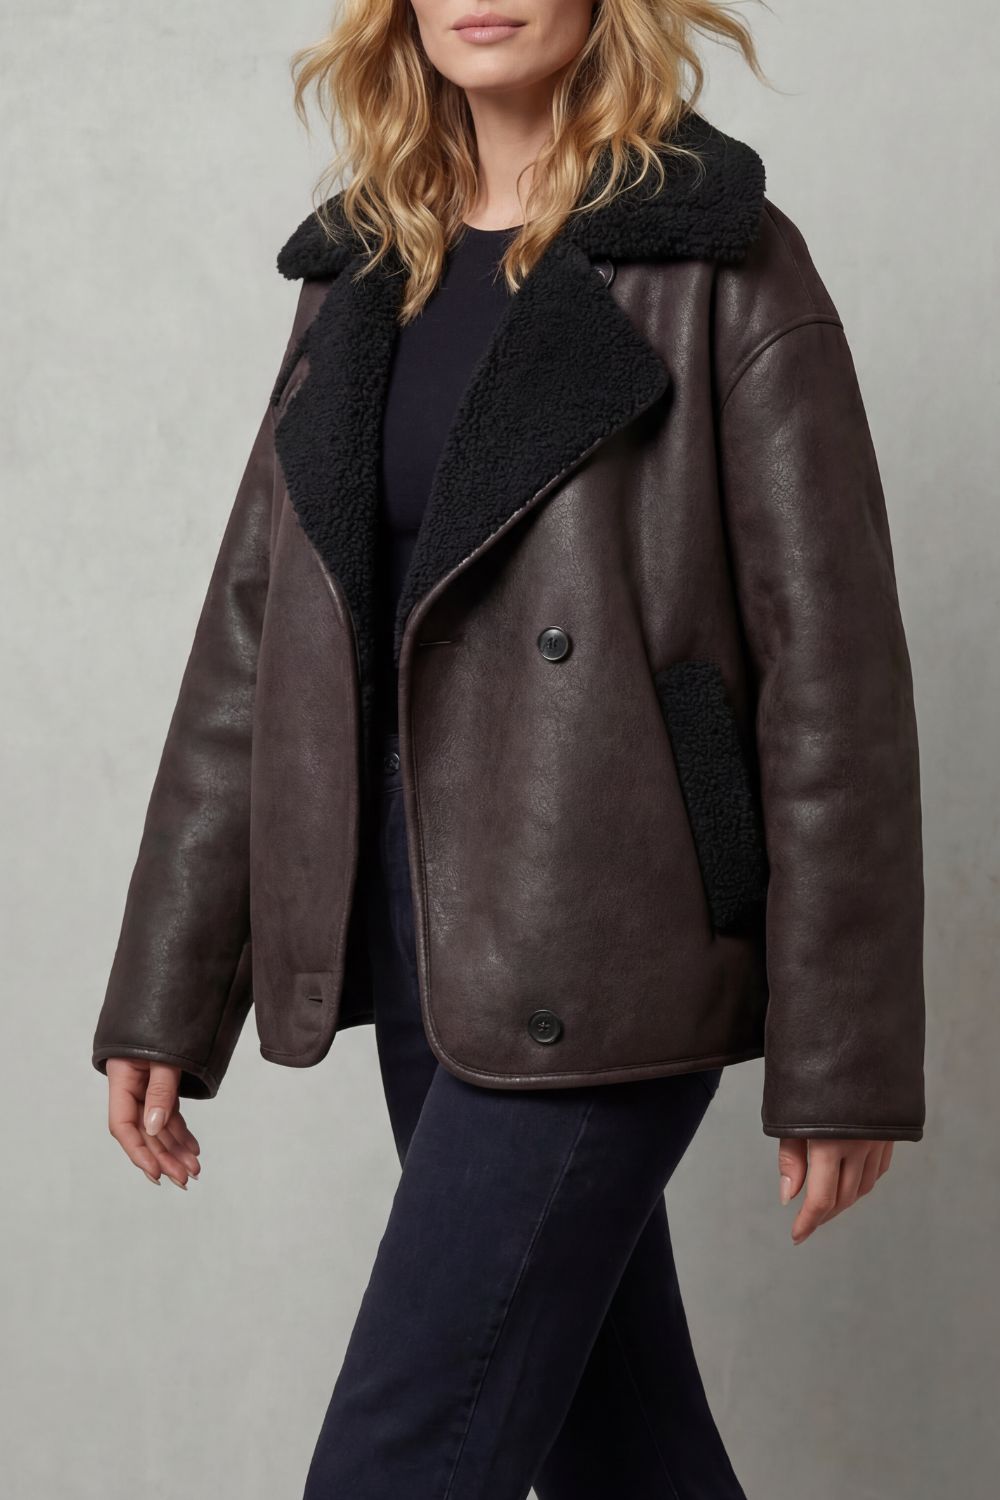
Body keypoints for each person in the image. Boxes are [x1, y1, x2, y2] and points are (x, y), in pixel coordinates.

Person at [91, 3, 926, 1495]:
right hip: (413, 928)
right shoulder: (361, 275)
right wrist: (170, 989)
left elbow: (833, 671)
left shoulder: (717, 260)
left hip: (614, 923)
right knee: (624, 1448)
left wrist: (843, 1055)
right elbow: (253, 642)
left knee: (402, 1454)